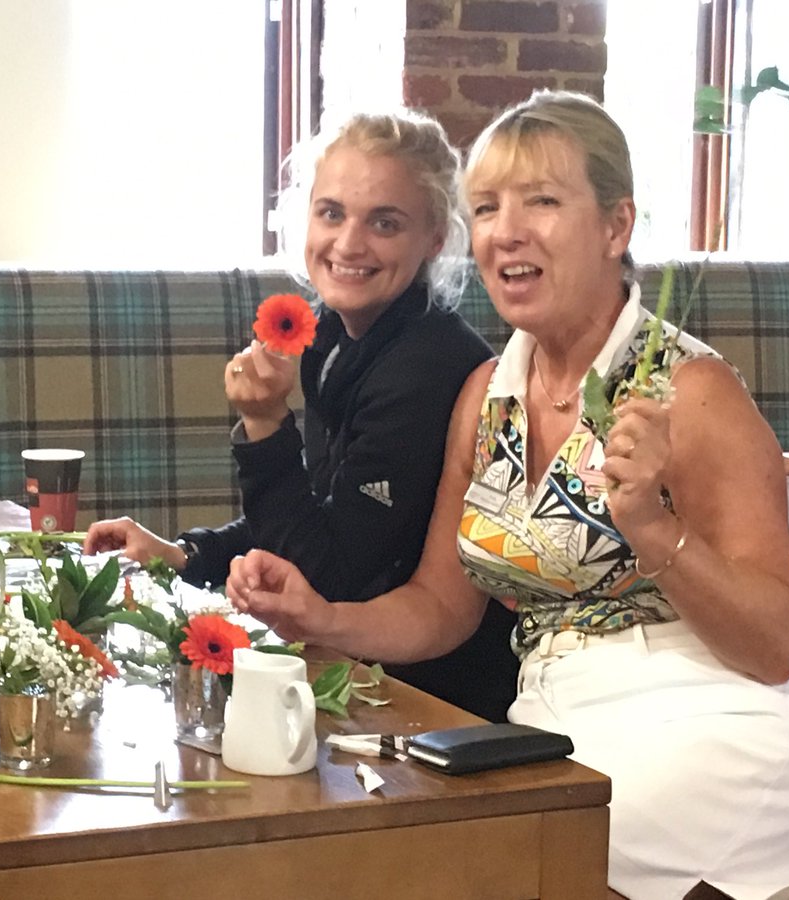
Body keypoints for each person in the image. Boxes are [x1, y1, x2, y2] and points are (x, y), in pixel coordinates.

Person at [226, 90, 789, 899]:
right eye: (488, 207)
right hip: (551, 732)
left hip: (698, 724)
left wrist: (651, 529)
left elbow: (777, 646)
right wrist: (320, 617)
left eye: (543, 202)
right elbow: (439, 605)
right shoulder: (486, 395)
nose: (506, 230)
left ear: (615, 226)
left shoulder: (693, 392)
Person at [85, 111, 520, 722]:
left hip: (434, 701)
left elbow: (327, 577)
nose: (348, 244)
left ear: (434, 240)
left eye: (384, 223)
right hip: (349, 666)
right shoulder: (333, 338)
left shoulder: (427, 368)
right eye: (332, 213)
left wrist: (265, 429)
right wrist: (182, 553)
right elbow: (318, 508)